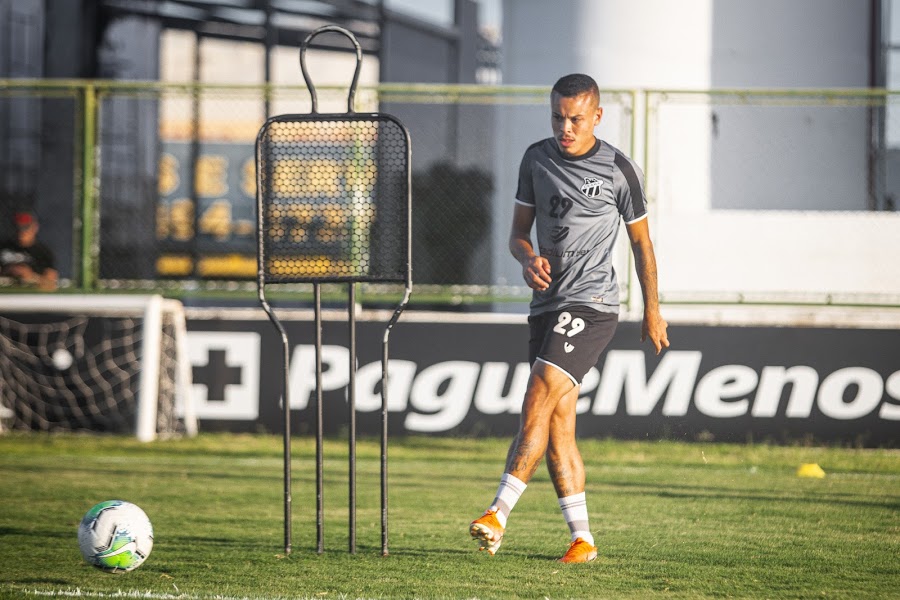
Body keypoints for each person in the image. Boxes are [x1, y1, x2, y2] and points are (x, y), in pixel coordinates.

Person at [469, 73, 669, 563]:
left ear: (597, 116)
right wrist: (525, 258)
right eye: (558, 116)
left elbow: (641, 243)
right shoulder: (536, 158)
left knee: (538, 390)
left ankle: (498, 511)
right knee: (559, 427)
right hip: (545, 306)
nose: (565, 127)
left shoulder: (620, 170)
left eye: (576, 118)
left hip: (591, 304)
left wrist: (653, 312)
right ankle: (583, 539)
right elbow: (518, 233)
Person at [0, 211, 58, 291]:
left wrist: (30, 276)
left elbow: (51, 284)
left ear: (34, 227)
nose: (21, 232)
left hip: (29, 299)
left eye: (25, 227)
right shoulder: (2, 247)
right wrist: (9, 270)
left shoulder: (43, 253)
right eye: (18, 227)